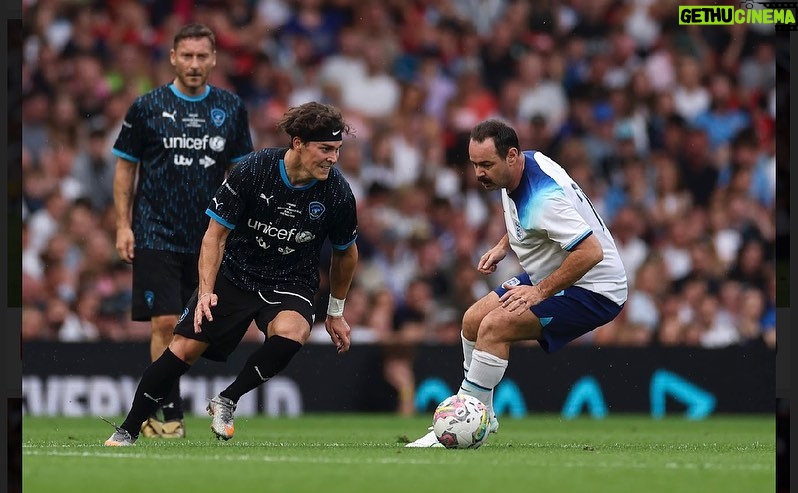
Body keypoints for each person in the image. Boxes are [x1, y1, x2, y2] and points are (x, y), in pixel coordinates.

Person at [104, 101, 358, 446]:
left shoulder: (338, 193)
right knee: (183, 350)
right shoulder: (254, 169)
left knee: (294, 330)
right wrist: (206, 292)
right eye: (325, 149)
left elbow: (346, 254)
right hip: (236, 274)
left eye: (337, 150)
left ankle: (227, 399)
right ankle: (128, 429)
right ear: (297, 143)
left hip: (290, 280)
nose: (333, 158)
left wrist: (336, 312)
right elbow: (214, 236)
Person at [406, 119, 628, 447]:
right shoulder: (530, 161)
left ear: (511, 155)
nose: (478, 173)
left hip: (595, 288)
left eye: (486, 165)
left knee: (496, 326)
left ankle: (463, 421)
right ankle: (483, 415)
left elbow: (591, 251)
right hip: (554, 268)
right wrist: (504, 244)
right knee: (472, 320)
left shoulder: (544, 200)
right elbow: (525, 216)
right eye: (474, 164)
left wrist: (538, 292)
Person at [111, 23, 254, 439]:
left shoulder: (231, 108)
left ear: (213, 59)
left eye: (201, 56)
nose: (194, 64)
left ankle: (165, 408)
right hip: (155, 231)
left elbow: (241, 172)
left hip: (209, 237)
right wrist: (123, 225)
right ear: (173, 57)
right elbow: (125, 168)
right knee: (164, 323)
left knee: (194, 332)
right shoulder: (147, 106)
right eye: (186, 56)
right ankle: (169, 416)